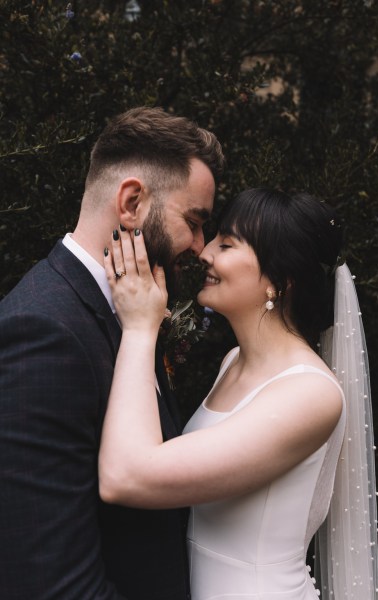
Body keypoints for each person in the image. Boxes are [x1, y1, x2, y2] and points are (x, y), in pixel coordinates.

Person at [98, 188, 378, 600]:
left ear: (280, 282)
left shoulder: (311, 394)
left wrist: (141, 328)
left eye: (226, 244)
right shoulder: (233, 361)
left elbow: (127, 477)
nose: (205, 252)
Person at [0, 106, 224, 600]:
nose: (201, 247)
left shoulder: (131, 308)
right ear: (131, 202)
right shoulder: (43, 331)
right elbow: (48, 582)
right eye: (194, 221)